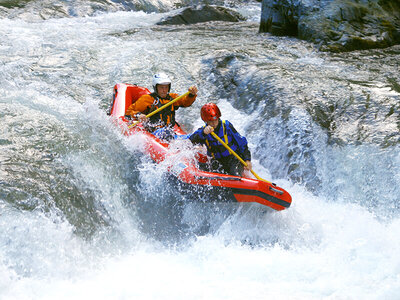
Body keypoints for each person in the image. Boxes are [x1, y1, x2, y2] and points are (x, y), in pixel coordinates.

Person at [189, 103, 252, 177]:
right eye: (210, 121)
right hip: (218, 161)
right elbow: (191, 140)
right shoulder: (203, 131)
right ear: (206, 121)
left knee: (235, 175)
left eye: (215, 120)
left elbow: (242, 143)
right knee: (203, 170)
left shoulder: (227, 126)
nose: (213, 123)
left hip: (233, 159)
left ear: (218, 117)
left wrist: (247, 159)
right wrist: (203, 133)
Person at [126, 73, 198, 136]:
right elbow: (129, 112)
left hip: (170, 132)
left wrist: (191, 95)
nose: (164, 90)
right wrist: (138, 115)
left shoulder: (172, 98)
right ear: (156, 88)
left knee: (192, 138)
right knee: (166, 133)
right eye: (161, 87)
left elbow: (185, 102)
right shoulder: (147, 99)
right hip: (153, 133)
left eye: (166, 87)